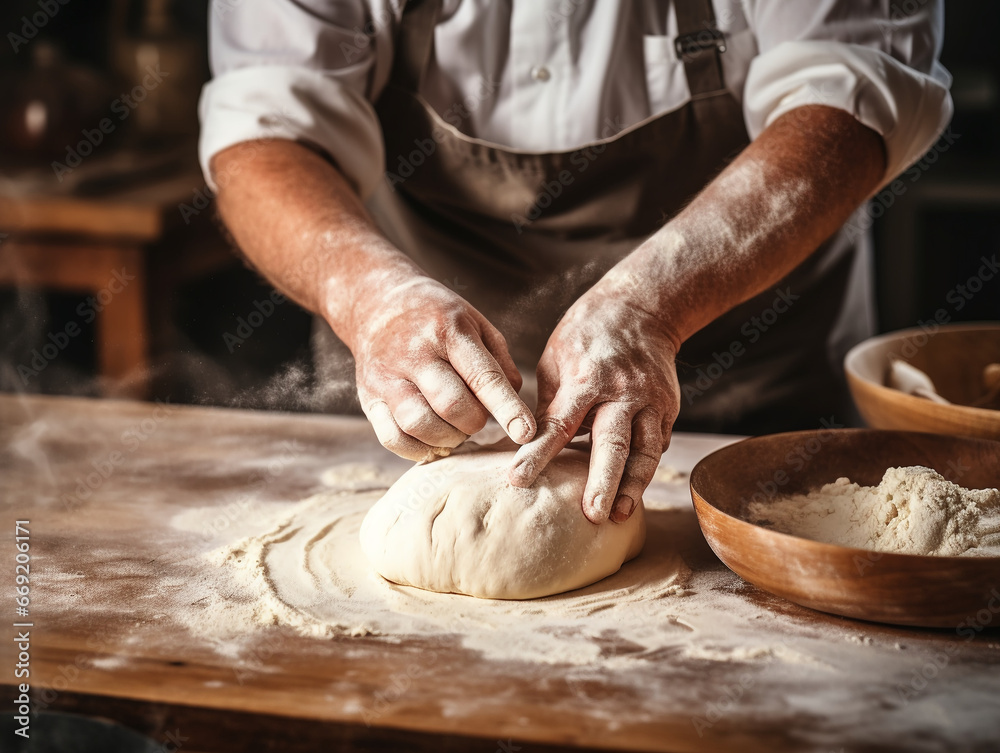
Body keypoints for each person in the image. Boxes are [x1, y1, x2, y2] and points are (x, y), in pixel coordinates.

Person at [200, 0, 952, 526]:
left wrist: (652, 307)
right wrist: (371, 297)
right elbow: (265, 125)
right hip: (409, 417)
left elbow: (851, 90)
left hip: (752, 394)